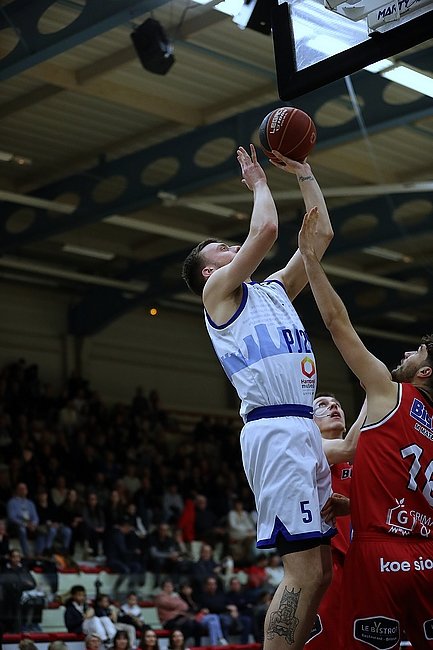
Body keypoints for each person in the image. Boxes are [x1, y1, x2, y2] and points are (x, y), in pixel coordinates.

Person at [182, 144, 334, 649]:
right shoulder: (218, 296)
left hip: (303, 427)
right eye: (223, 249)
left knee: (322, 572)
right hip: (275, 431)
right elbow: (265, 230)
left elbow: (320, 235)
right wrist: (260, 184)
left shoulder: (273, 290)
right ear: (209, 272)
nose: (233, 248)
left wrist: (305, 173)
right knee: (302, 573)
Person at [299, 206, 433, 648]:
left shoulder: (390, 393)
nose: (408, 354)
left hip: (379, 553)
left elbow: (338, 323)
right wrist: (356, 504)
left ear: (425, 372)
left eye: (417, 353)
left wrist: (310, 260)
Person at [304, 393, 365, 649]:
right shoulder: (312, 449)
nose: (333, 407)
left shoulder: (362, 456)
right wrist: (375, 392)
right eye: (322, 405)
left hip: (367, 561)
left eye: (337, 404)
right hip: (331, 561)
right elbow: (350, 445)